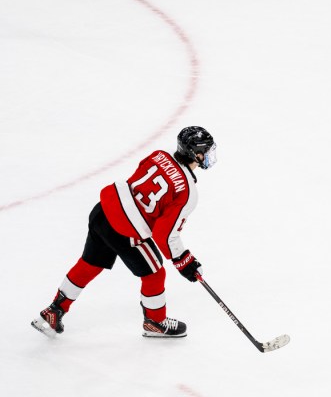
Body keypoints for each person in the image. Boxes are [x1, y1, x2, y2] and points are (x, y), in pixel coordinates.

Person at [32, 126, 217, 338]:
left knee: (90, 263)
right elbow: (164, 234)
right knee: (155, 273)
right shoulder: (187, 192)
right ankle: (155, 322)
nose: (210, 155)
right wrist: (185, 261)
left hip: (103, 212)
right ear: (197, 153)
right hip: (125, 231)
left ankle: (53, 311)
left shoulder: (159, 156)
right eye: (207, 151)